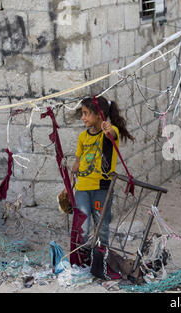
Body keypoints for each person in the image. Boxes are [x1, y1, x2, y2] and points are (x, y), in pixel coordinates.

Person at [64, 95, 135, 248]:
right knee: (81, 227)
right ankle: (82, 261)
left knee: (101, 227)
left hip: (101, 189)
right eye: (82, 113)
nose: (83, 117)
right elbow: (77, 162)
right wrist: (69, 185)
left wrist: (108, 129)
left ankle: (102, 260)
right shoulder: (83, 137)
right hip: (82, 189)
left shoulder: (109, 132)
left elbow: (112, 135)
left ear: (98, 114)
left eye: (86, 113)